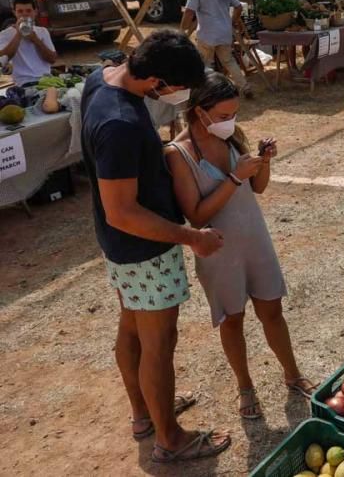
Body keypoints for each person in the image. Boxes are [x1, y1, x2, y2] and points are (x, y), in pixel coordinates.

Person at [79, 31, 231, 463]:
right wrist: (193, 237)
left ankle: (144, 414)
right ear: (158, 83)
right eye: (177, 88)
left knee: (133, 328)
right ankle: (170, 438)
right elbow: (122, 211)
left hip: (123, 248)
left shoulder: (102, 79)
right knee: (159, 343)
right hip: (143, 248)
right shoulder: (120, 125)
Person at [164, 72, 315, 421]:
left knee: (272, 310)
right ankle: (245, 386)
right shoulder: (178, 154)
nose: (229, 122)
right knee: (232, 319)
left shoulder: (233, 137)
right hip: (219, 253)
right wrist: (234, 178)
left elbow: (258, 187)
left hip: (255, 239)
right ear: (199, 112)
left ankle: (291, 373)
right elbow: (196, 215)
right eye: (222, 116)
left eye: (234, 114)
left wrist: (264, 161)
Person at [181, 0, 250, 98]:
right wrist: (231, 22)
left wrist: (182, 29)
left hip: (207, 33)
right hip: (224, 32)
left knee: (206, 63)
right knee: (228, 61)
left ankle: (208, 91)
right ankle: (245, 86)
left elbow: (189, 11)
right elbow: (238, 7)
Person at [0, 0, 57, 85]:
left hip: (46, 79)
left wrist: (36, 40)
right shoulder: (5, 34)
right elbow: (3, 59)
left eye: (28, 11)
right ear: (14, 13)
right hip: (23, 82)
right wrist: (18, 34)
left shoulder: (42, 31)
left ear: (35, 12)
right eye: (20, 11)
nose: (25, 14)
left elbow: (52, 59)